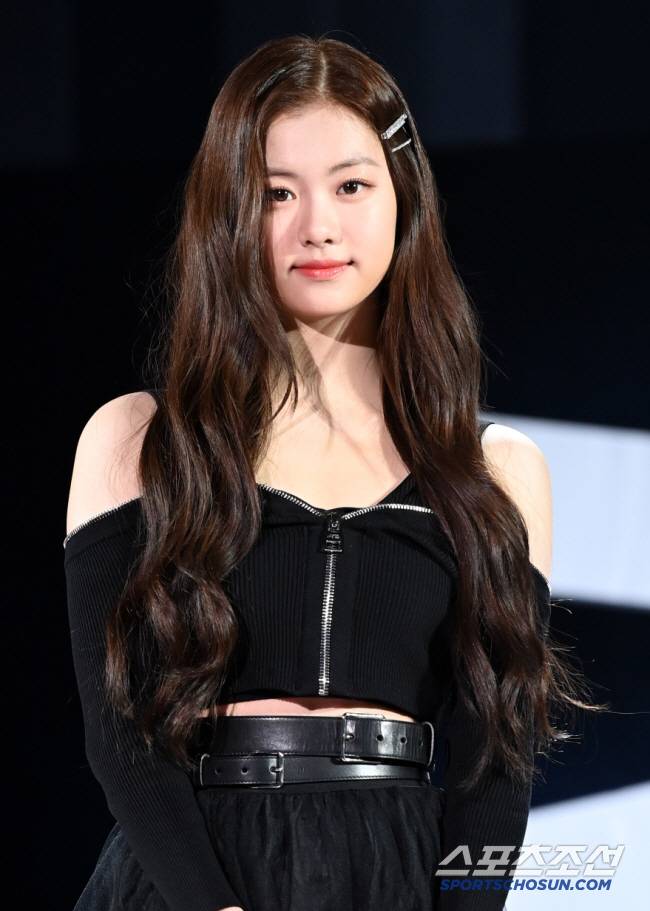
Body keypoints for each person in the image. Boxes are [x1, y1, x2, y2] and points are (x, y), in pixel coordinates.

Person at [63, 34, 602, 911]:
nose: (318, 225)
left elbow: (494, 765)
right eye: (277, 192)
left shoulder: (493, 473)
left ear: (403, 196)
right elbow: (120, 737)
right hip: (192, 874)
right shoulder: (140, 442)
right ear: (229, 211)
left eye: (351, 186)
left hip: (393, 869)